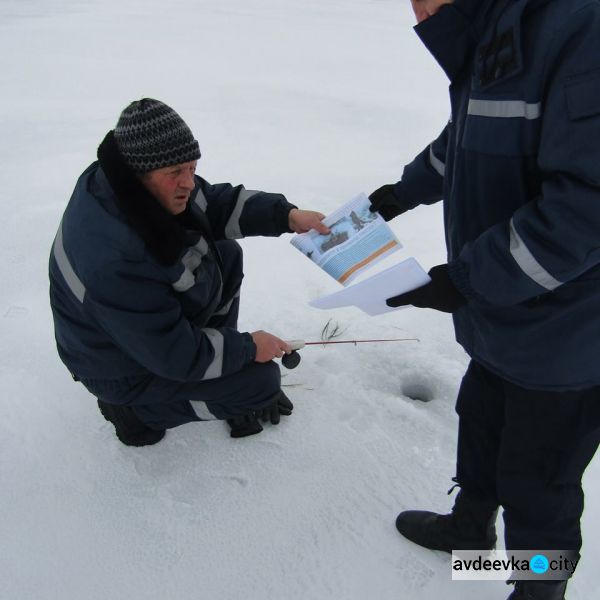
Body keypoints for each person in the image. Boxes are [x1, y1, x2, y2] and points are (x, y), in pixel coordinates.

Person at [369, 1, 600, 598]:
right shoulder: (496, 28)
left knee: (538, 487)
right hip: (501, 318)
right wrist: (403, 191)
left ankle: (537, 589)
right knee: (482, 430)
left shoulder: (582, 25)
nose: (418, 8)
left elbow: (585, 211)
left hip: (566, 339)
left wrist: (466, 279)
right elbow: (469, 134)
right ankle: (471, 538)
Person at [49, 98, 329, 447]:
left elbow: (211, 202)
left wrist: (287, 216)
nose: (188, 183)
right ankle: (135, 415)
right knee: (260, 384)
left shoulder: (127, 180)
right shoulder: (115, 257)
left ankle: (217, 372)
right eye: (176, 174)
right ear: (139, 173)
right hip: (118, 367)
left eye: (192, 168)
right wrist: (246, 349)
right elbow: (175, 355)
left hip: (138, 331)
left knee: (225, 254)